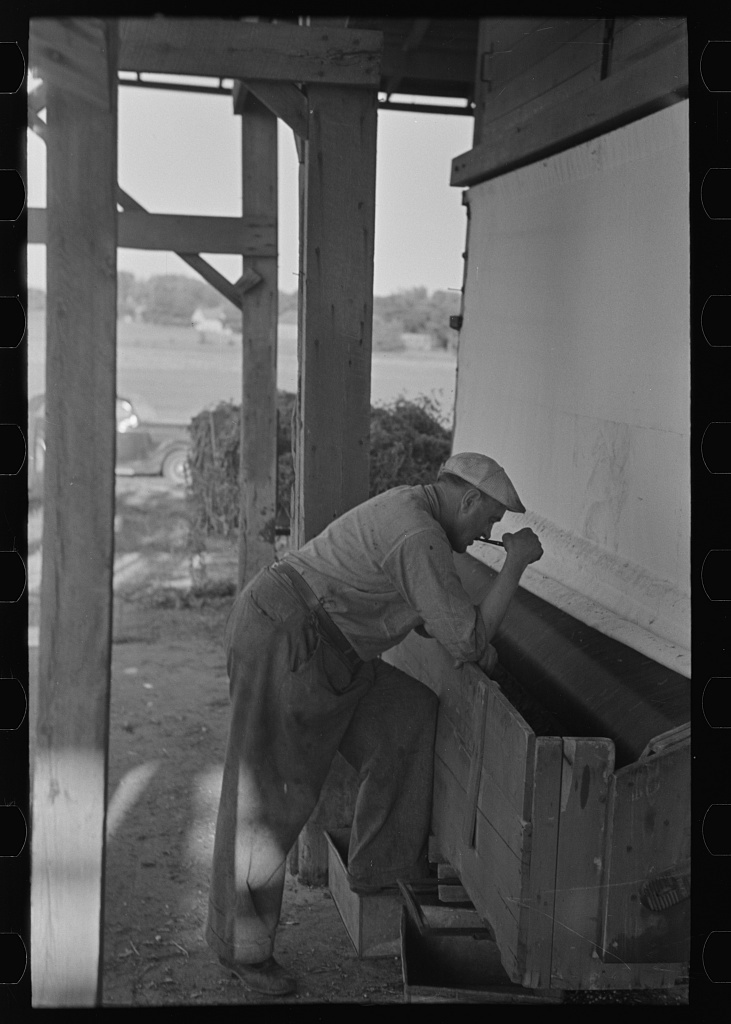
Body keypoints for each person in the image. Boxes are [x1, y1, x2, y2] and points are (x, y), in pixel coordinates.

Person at [205, 451, 543, 996]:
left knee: (406, 719)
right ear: (470, 499)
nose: (489, 531)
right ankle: (243, 950)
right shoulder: (420, 536)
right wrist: (516, 564)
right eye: (488, 520)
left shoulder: (415, 513)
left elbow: (435, 620)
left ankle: (377, 873)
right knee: (268, 799)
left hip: (328, 648)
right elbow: (468, 642)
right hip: (290, 643)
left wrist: (456, 622)